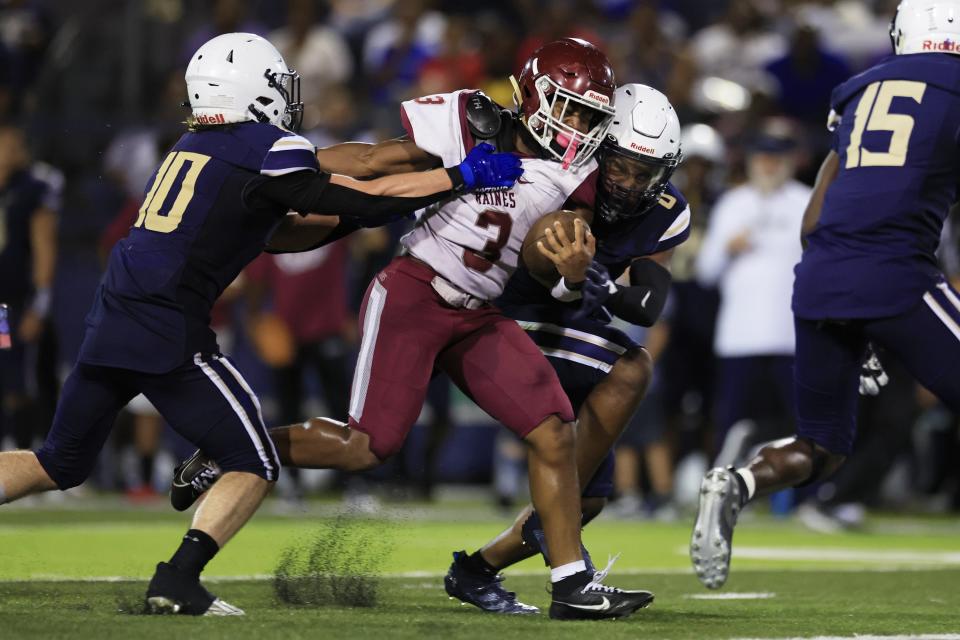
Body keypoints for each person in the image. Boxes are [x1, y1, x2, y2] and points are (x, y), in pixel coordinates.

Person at [0, 32, 521, 616]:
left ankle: (179, 570)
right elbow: (361, 197)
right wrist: (460, 179)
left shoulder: (197, 145)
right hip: (167, 322)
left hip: (115, 311)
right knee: (255, 461)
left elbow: (289, 226)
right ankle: (177, 579)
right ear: (252, 89)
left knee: (57, 462)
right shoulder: (262, 147)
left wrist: (422, 172)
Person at [172, 39, 658, 621]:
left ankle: (571, 584)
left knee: (553, 429)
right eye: (568, 106)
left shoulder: (580, 176)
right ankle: (231, 449)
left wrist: (571, 277)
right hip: (415, 291)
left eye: (589, 116)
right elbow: (376, 162)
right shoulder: (473, 121)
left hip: (479, 313)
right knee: (365, 448)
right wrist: (285, 162)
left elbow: (551, 267)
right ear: (532, 93)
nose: (576, 124)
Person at [691, 0, 960, 590]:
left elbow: (813, 218)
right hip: (895, 273)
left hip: (819, 278)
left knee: (821, 445)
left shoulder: (858, 91)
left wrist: (848, 313)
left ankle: (737, 482)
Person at [443, 83, 689, 613]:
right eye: (619, 167)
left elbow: (647, 304)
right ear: (598, 148)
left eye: (642, 173)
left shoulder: (663, 209)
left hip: (567, 322)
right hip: (505, 312)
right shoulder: (559, 174)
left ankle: (475, 569)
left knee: (590, 499)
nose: (626, 183)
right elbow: (537, 264)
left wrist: (600, 285)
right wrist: (573, 281)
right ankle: (571, 578)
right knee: (630, 369)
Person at [695, 121, 810, 463]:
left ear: (791, 161)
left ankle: (808, 499)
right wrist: (728, 248)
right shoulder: (732, 203)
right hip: (740, 337)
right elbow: (705, 272)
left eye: (777, 157)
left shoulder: (807, 202)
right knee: (730, 422)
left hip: (791, 336)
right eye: (762, 156)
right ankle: (720, 487)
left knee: (802, 423)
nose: (769, 164)